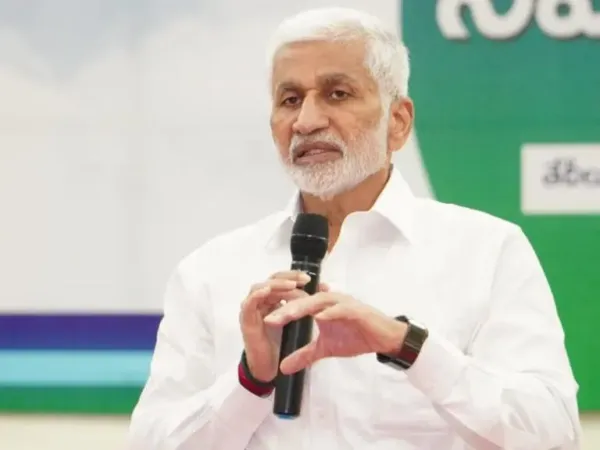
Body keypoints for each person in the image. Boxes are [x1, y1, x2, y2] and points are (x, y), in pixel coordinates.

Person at [127, 7, 581, 450]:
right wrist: (251, 379)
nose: (306, 121)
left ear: (397, 122)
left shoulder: (486, 251)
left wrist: (408, 346)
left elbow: (554, 435)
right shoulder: (210, 271)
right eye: (290, 99)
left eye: (337, 93)